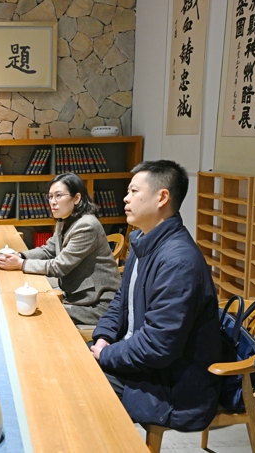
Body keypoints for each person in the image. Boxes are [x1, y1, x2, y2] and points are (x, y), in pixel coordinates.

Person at [90, 160, 222, 431]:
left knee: (76, 387)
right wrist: (104, 338)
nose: (126, 198)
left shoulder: (178, 262)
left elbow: (158, 346)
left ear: (162, 197)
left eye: (134, 191)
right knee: (64, 362)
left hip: (170, 385)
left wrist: (107, 354)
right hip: (140, 362)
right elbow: (121, 301)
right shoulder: (144, 241)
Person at [0, 173, 120, 325]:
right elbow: (48, 250)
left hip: (99, 305)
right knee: (31, 304)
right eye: (50, 197)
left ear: (77, 198)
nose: (52, 202)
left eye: (58, 196)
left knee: (37, 310)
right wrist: (19, 255)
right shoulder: (64, 220)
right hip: (77, 296)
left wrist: (21, 264)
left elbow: (59, 266)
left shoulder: (87, 226)